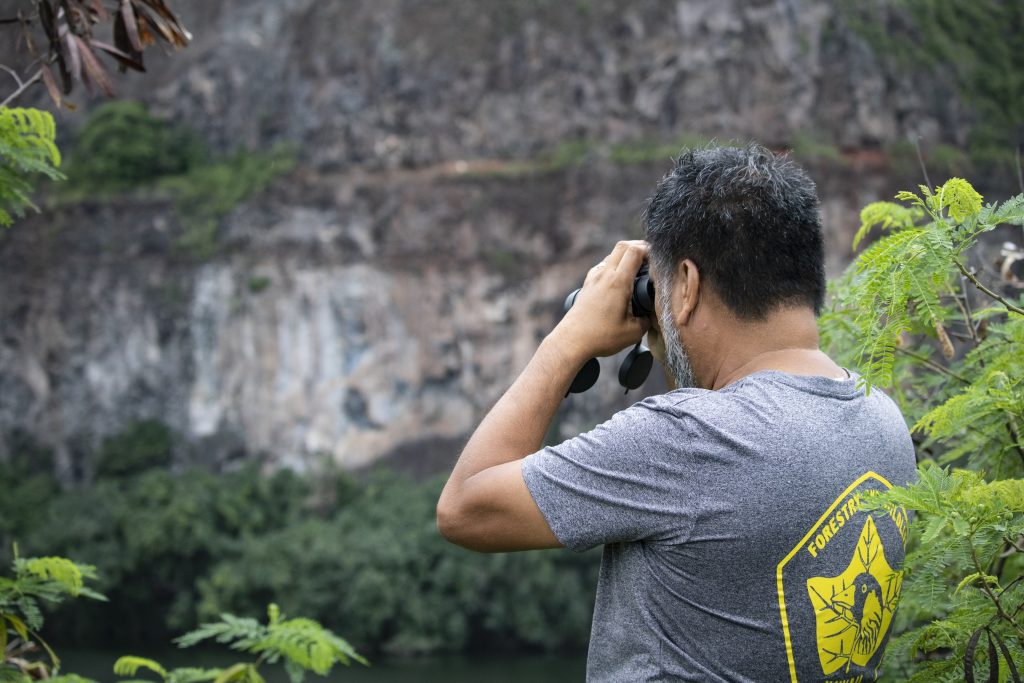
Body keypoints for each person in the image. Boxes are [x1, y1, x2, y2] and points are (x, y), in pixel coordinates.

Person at [436, 144, 916, 682]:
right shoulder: (884, 421)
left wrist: (566, 341)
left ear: (687, 286)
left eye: (661, 291)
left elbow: (465, 507)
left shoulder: (691, 440)